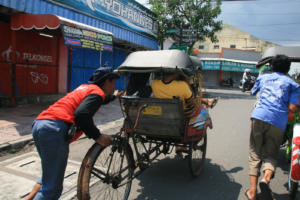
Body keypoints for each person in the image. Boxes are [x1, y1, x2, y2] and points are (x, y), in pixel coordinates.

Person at [25, 67, 124, 200]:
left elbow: (98, 100)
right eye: (113, 83)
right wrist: (98, 136)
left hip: (40, 124)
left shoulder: (85, 88)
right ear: (107, 82)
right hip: (54, 129)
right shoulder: (97, 94)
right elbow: (82, 115)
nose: (114, 86)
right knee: (52, 190)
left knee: (49, 172)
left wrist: (113, 97)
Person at [245, 55, 300, 200]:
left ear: (272, 66)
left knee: (255, 153)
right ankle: (266, 180)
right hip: (278, 121)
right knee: (271, 154)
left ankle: (252, 191)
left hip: (259, 116)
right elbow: (293, 108)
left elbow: (252, 92)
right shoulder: (294, 85)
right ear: (288, 69)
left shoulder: (263, 78)